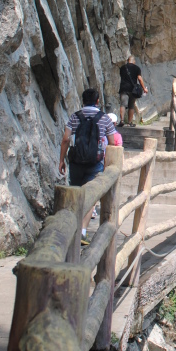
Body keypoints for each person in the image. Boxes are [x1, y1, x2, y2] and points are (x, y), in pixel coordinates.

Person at [59, 89, 117, 239]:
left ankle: (71, 229)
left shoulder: (75, 117)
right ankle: (82, 232)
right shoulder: (104, 119)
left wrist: (61, 160)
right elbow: (112, 142)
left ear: (82, 100)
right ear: (97, 101)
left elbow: (65, 139)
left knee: (76, 194)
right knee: (90, 197)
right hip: (95, 162)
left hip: (76, 162)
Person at [118, 55, 148, 127]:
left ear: (127, 61)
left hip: (123, 88)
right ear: (134, 61)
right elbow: (140, 79)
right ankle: (129, 122)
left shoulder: (122, 68)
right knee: (131, 106)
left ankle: (121, 121)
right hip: (133, 90)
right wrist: (144, 88)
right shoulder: (137, 68)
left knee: (123, 104)